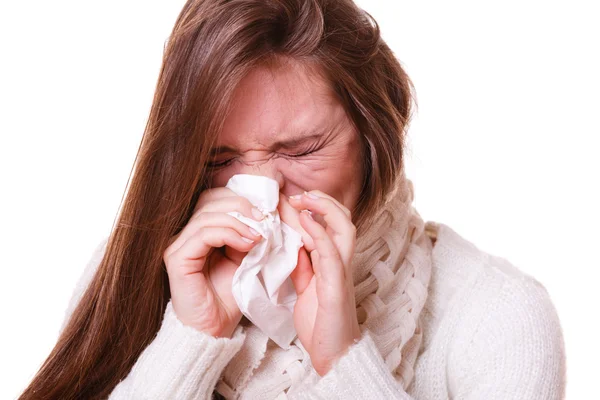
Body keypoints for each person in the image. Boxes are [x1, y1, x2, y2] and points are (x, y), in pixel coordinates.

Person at [19, 0, 566, 399]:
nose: (261, 190)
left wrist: (345, 360)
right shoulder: (122, 275)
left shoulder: (496, 318)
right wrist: (189, 341)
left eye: (302, 150)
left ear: (378, 137)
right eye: (217, 161)